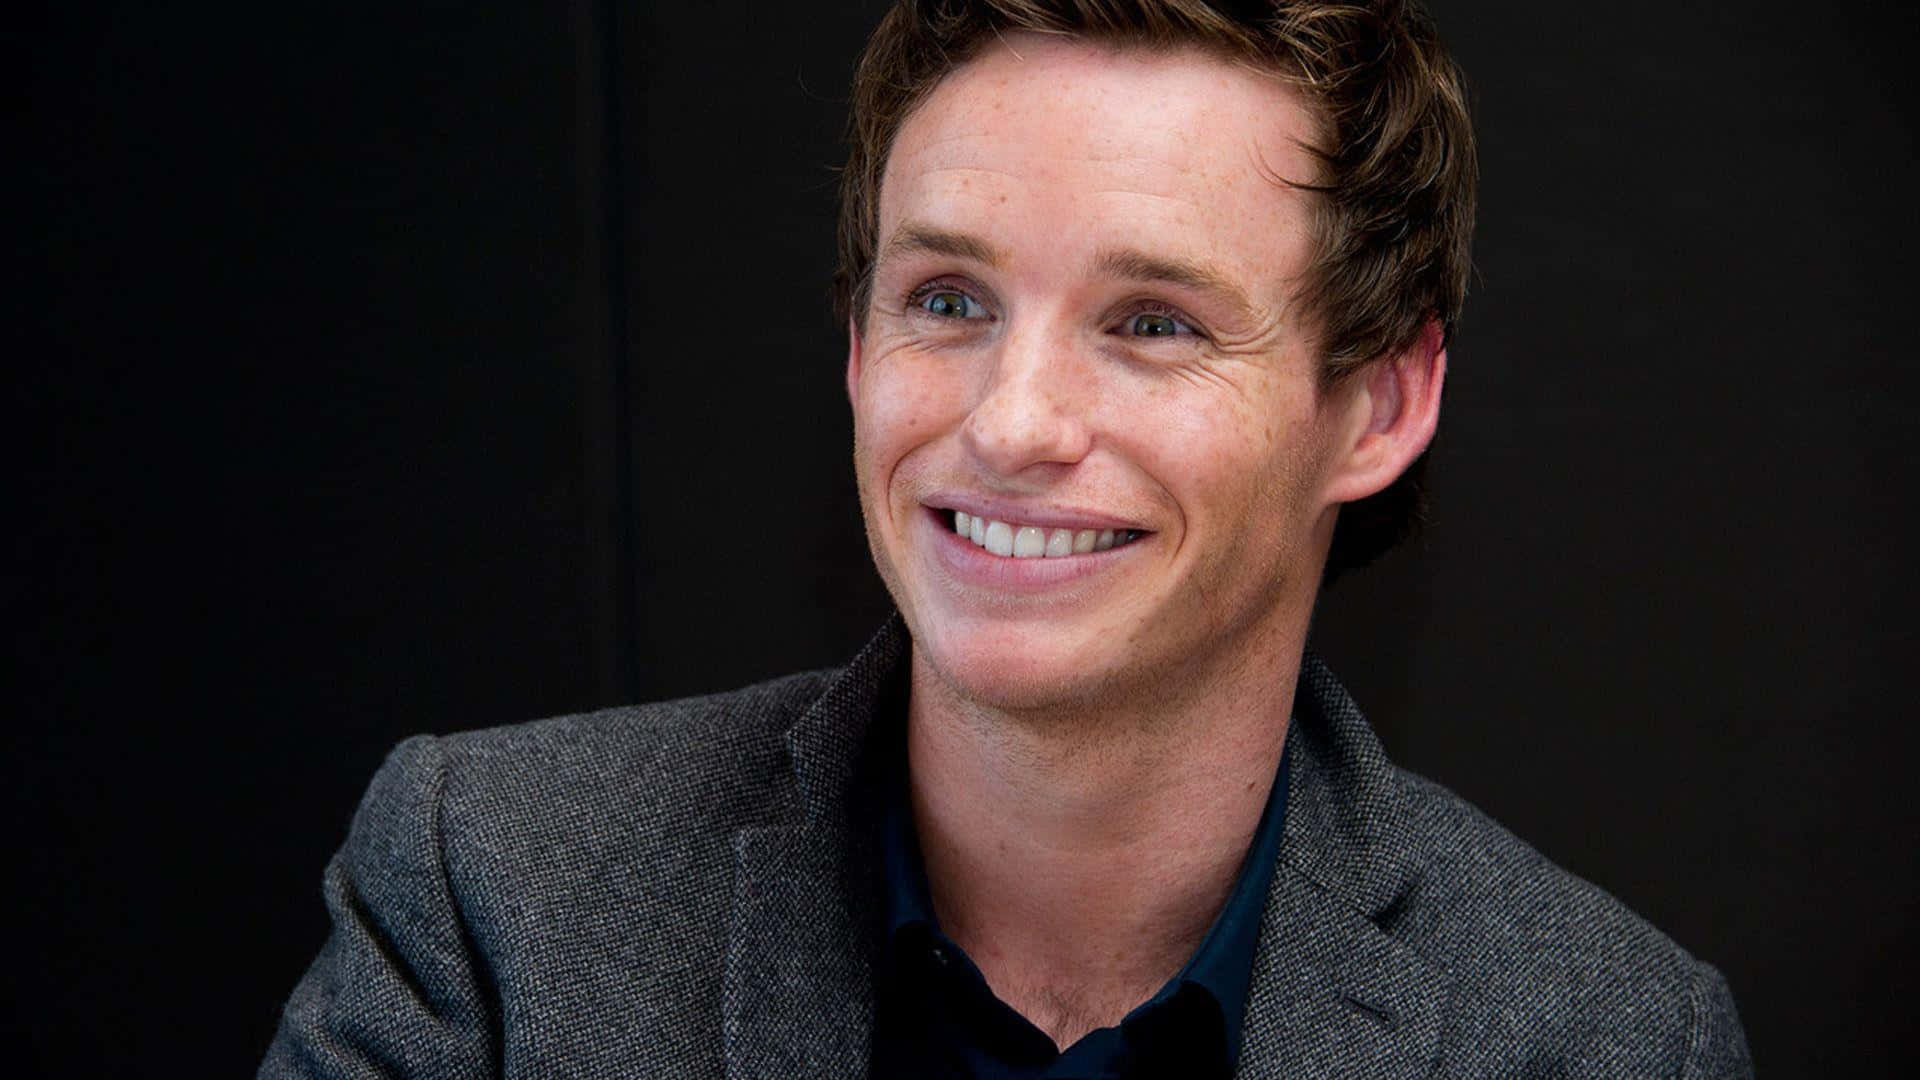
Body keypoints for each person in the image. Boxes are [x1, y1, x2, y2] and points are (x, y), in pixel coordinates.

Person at [262, 1, 1753, 1075]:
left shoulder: (1608, 1039)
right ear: (855, 348)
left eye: (1152, 322)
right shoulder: (497, 903)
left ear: (1377, 405)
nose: (1013, 420)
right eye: (949, 301)